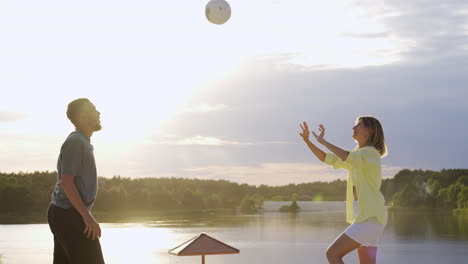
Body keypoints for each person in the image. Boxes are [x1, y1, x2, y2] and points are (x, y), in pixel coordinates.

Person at [299, 116, 387, 264]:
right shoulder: (357, 157)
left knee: (333, 254)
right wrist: (308, 141)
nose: (354, 128)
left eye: (358, 126)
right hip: (370, 219)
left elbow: (347, 156)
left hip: (370, 219)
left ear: (369, 132)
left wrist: (323, 142)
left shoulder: (370, 153)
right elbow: (328, 158)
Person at [47, 98, 105, 264]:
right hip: (67, 214)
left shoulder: (82, 142)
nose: (98, 113)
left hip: (65, 213)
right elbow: (67, 183)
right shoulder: (76, 142)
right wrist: (87, 217)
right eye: (93, 110)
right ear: (82, 117)